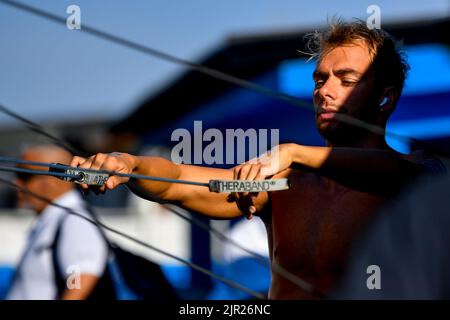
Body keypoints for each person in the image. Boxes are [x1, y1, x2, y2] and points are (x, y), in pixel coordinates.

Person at [70, 20, 445, 299]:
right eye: (319, 80)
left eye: (345, 79)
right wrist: (130, 165)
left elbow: (400, 174)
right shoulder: (283, 184)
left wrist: (293, 152)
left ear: (386, 97)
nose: (325, 91)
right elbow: (177, 181)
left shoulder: (416, 177)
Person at [7, 145, 111, 300]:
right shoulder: (55, 220)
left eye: (25, 176)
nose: (17, 184)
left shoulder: (74, 220)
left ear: (56, 179)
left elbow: (79, 280)